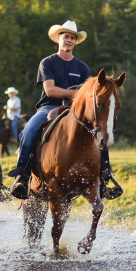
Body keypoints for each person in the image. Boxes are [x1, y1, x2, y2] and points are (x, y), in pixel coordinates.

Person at [7, 20, 122, 200]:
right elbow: (50, 90)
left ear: (75, 42)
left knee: (100, 131)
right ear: (58, 38)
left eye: (72, 38)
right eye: (66, 36)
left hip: (75, 110)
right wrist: (77, 92)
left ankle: (105, 177)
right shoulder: (47, 63)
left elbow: (88, 95)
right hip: (49, 107)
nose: (69, 40)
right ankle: (22, 175)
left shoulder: (82, 67)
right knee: (28, 131)